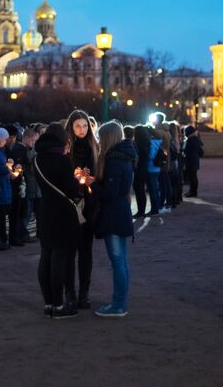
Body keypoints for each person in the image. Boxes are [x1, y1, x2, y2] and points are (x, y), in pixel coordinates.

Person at [34, 123, 83, 319]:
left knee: (46, 257)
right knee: (59, 260)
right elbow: (71, 191)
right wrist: (79, 183)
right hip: (63, 213)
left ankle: (48, 304)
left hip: (45, 211)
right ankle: (60, 305)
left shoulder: (37, 159)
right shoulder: (62, 161)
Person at [94, 121, 136, 317]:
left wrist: (91, 186)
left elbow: (109, 193)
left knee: (117, 261)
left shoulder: (114, 160)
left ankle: (118, 304)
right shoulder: (125, 156)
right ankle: (120, 302)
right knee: (121, 261)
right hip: (122, 210)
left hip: (113, 213)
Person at [66, 110, 99, 309]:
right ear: (71, 127)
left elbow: (99, 175)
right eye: (78, 126)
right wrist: (74, 177)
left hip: (89, 204)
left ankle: (84, 292)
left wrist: (92, 180)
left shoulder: (94, 147)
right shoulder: (66, 149)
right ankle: (69, 291)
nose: (82, 130)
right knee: (70, 251)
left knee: (86, 251)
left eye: (85, 126)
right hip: (70, 204)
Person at [132, 125, 150, 217]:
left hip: (139, 168)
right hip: (145, 167)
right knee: (141, 190)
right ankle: (142, 210)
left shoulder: (137, 143)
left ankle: (140, 211)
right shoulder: (147, 142)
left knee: (138, 189)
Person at [183, 126, 204, 197]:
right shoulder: (196, 139)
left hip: (190, 160)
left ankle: (192, 192)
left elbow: (186, 150)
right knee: (194, 176)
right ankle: (193, 191)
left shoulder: (190, 140)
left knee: (192, 177)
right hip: (195, 160)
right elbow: (201, 152)